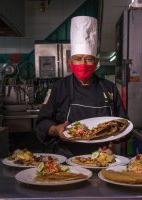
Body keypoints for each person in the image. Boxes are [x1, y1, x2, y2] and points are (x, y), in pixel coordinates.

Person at [36, 16, 126, 157]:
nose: (83, 63)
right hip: (67, 158)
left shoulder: (110, 89)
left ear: (96, 63)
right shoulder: (59, 87)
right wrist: (56, 129)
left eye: (88, 59)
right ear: (70, 62)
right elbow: (42, 123)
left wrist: (115, 138)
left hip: (104, 158)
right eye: (78, 59)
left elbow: (124, 125)